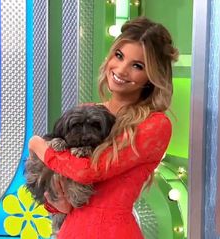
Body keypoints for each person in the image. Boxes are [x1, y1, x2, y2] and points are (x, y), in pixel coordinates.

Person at [28, 16, 178, 239]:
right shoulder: (88, 110)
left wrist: (38, 145)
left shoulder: (154, 124)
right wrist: (56, 199)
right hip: (70, 231)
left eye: (137, 66)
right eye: (119, 56)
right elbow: (60, 190)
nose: (121, 69)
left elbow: (88, 171)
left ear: (151, 77)